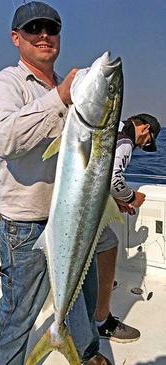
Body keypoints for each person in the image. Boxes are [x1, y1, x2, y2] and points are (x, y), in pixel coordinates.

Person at [0, 2, 109, 364]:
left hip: (79, 219)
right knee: (18, 313)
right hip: (27, 224)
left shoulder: (75, 89)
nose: (43, 35)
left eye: (51, 29)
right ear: (15, 38)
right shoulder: (6, 85)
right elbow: (1, 139)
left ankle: (87, 354)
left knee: (82, 299)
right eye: (34, 28)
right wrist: (60, 99)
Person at [95, 114, 161, 342]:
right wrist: (132, 197)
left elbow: (99, 176)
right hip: (87, 209)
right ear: (145, 129)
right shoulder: (124, 142)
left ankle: (98, 284)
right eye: (148, 141)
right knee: (109, 244)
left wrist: (117, 201)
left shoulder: (112, 129)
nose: (144, 147)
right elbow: (113, 181)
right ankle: (101, 321)